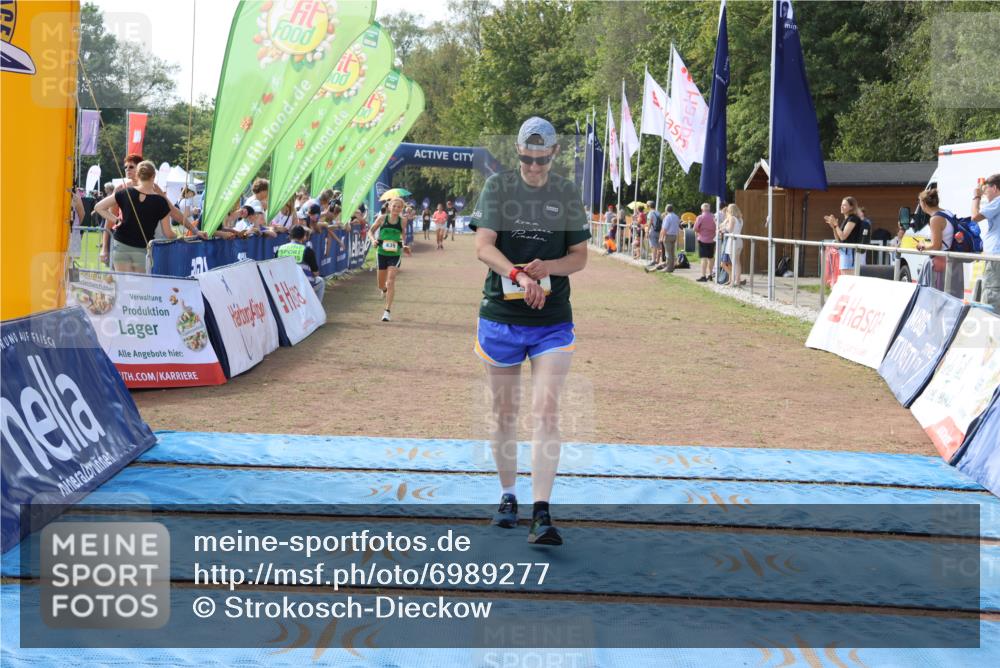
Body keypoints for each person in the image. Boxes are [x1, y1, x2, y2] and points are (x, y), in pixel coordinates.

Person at [470, 116, 589, 546]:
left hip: (552, 321)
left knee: (546, 411)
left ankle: (542, 511)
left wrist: (548, 268)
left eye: (540, 160)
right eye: (525, 159)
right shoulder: (498, 189)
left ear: (554, 154)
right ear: (516, 152)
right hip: (502, 316)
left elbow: (578, 256)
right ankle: (507, 496)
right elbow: (483, 246)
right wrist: (519, 275)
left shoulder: (567, 192)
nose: (533, 167)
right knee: (504, 413)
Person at [94, 161, 205, 272]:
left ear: (137, 175)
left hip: (120, 245)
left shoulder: (124, 192)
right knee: (139, 286)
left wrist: (116, 220)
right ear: (153, 176)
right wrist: (181, 237)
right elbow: (168, 233)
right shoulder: (161, 201)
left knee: (122, 285)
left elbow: (98, 207)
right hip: (142, 248)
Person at [367, 196, 412, 321]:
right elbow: (370, 231)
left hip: (395, 253)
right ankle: (384, 289)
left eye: (399, 207)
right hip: (381, 252)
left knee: (391, 280)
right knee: (381, 284)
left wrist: (404, 245)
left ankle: (387, 311)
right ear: (389, 207)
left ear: (402, 209)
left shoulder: (402, 221)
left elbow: (403, 236)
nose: (396, 209)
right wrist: (373, 240)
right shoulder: (382, 218)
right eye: (394, 206)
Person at [915, 188, 964, 299]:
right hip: (952, 261)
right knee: (952, 300)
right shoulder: (947, 213)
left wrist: (922, 246)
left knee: (937, 300)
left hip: (940, 264)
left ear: (923, 203)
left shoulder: (935, 219)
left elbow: (936, 246)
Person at [972, 174, 1000, 311]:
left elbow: (975, 217)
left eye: (986, 189)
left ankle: (992, 330)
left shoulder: (999, 200)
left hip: (996, 258)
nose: (984, 193)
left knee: (991, 296)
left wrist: (976, 197)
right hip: (995, 256)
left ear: (995, 187)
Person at [275, 224, 324, 301]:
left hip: (284, 285)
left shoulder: (280, 249)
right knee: (320, 281)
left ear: (290, 236)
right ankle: (316, 309)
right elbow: (315, 273)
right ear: (304, 236)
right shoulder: (307, 250)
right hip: (303, 286)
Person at [824, 196, 864, 273]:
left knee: (848, 279)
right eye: (841, 204)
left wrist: (836, 225)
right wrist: (834, 227)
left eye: (844, 205)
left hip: (849, 252)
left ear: (851, 207)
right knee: (845, 278)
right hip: (844, 252)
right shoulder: (847, 219)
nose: (841, 206)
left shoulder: (853, 218)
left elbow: (843, 236)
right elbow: (838, 240)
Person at [721, 203, 744, 286]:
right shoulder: (740, 219)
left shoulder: (732, 218)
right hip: (739, 240)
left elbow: (730, 229)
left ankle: (733, 282)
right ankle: (737, 281)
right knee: (737, 262)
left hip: (732, 240)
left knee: (734, 262)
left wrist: (724, 227)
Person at [653, 204, 681, 272]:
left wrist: (661, 237)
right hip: (674, 236)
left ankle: (669, 268)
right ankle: (672, 267)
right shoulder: (676, 216)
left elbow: (664, 229)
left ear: (666, 210)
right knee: (672, 252)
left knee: (668, 253)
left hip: (668, 236)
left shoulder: (667, 217)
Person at [694, 203, 717, 282]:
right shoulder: (714, 217)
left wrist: (700, 231)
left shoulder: (700, 217)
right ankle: (710, 274)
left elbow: (695, 228)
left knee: (703, 258)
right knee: (711, 257)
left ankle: (703, 276)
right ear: (709, 209)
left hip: (702, 239)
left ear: (702, 209)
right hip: (712, 239)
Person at [646, 201, 662, 266]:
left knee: (653, 246)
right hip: (659, 230)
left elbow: (650, 222)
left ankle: (653, 260)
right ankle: (658, 260)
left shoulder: (651, 213)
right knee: (659, 246)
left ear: (649, 206)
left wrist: (647, 231)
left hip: (653, 231)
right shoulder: (658, 212)